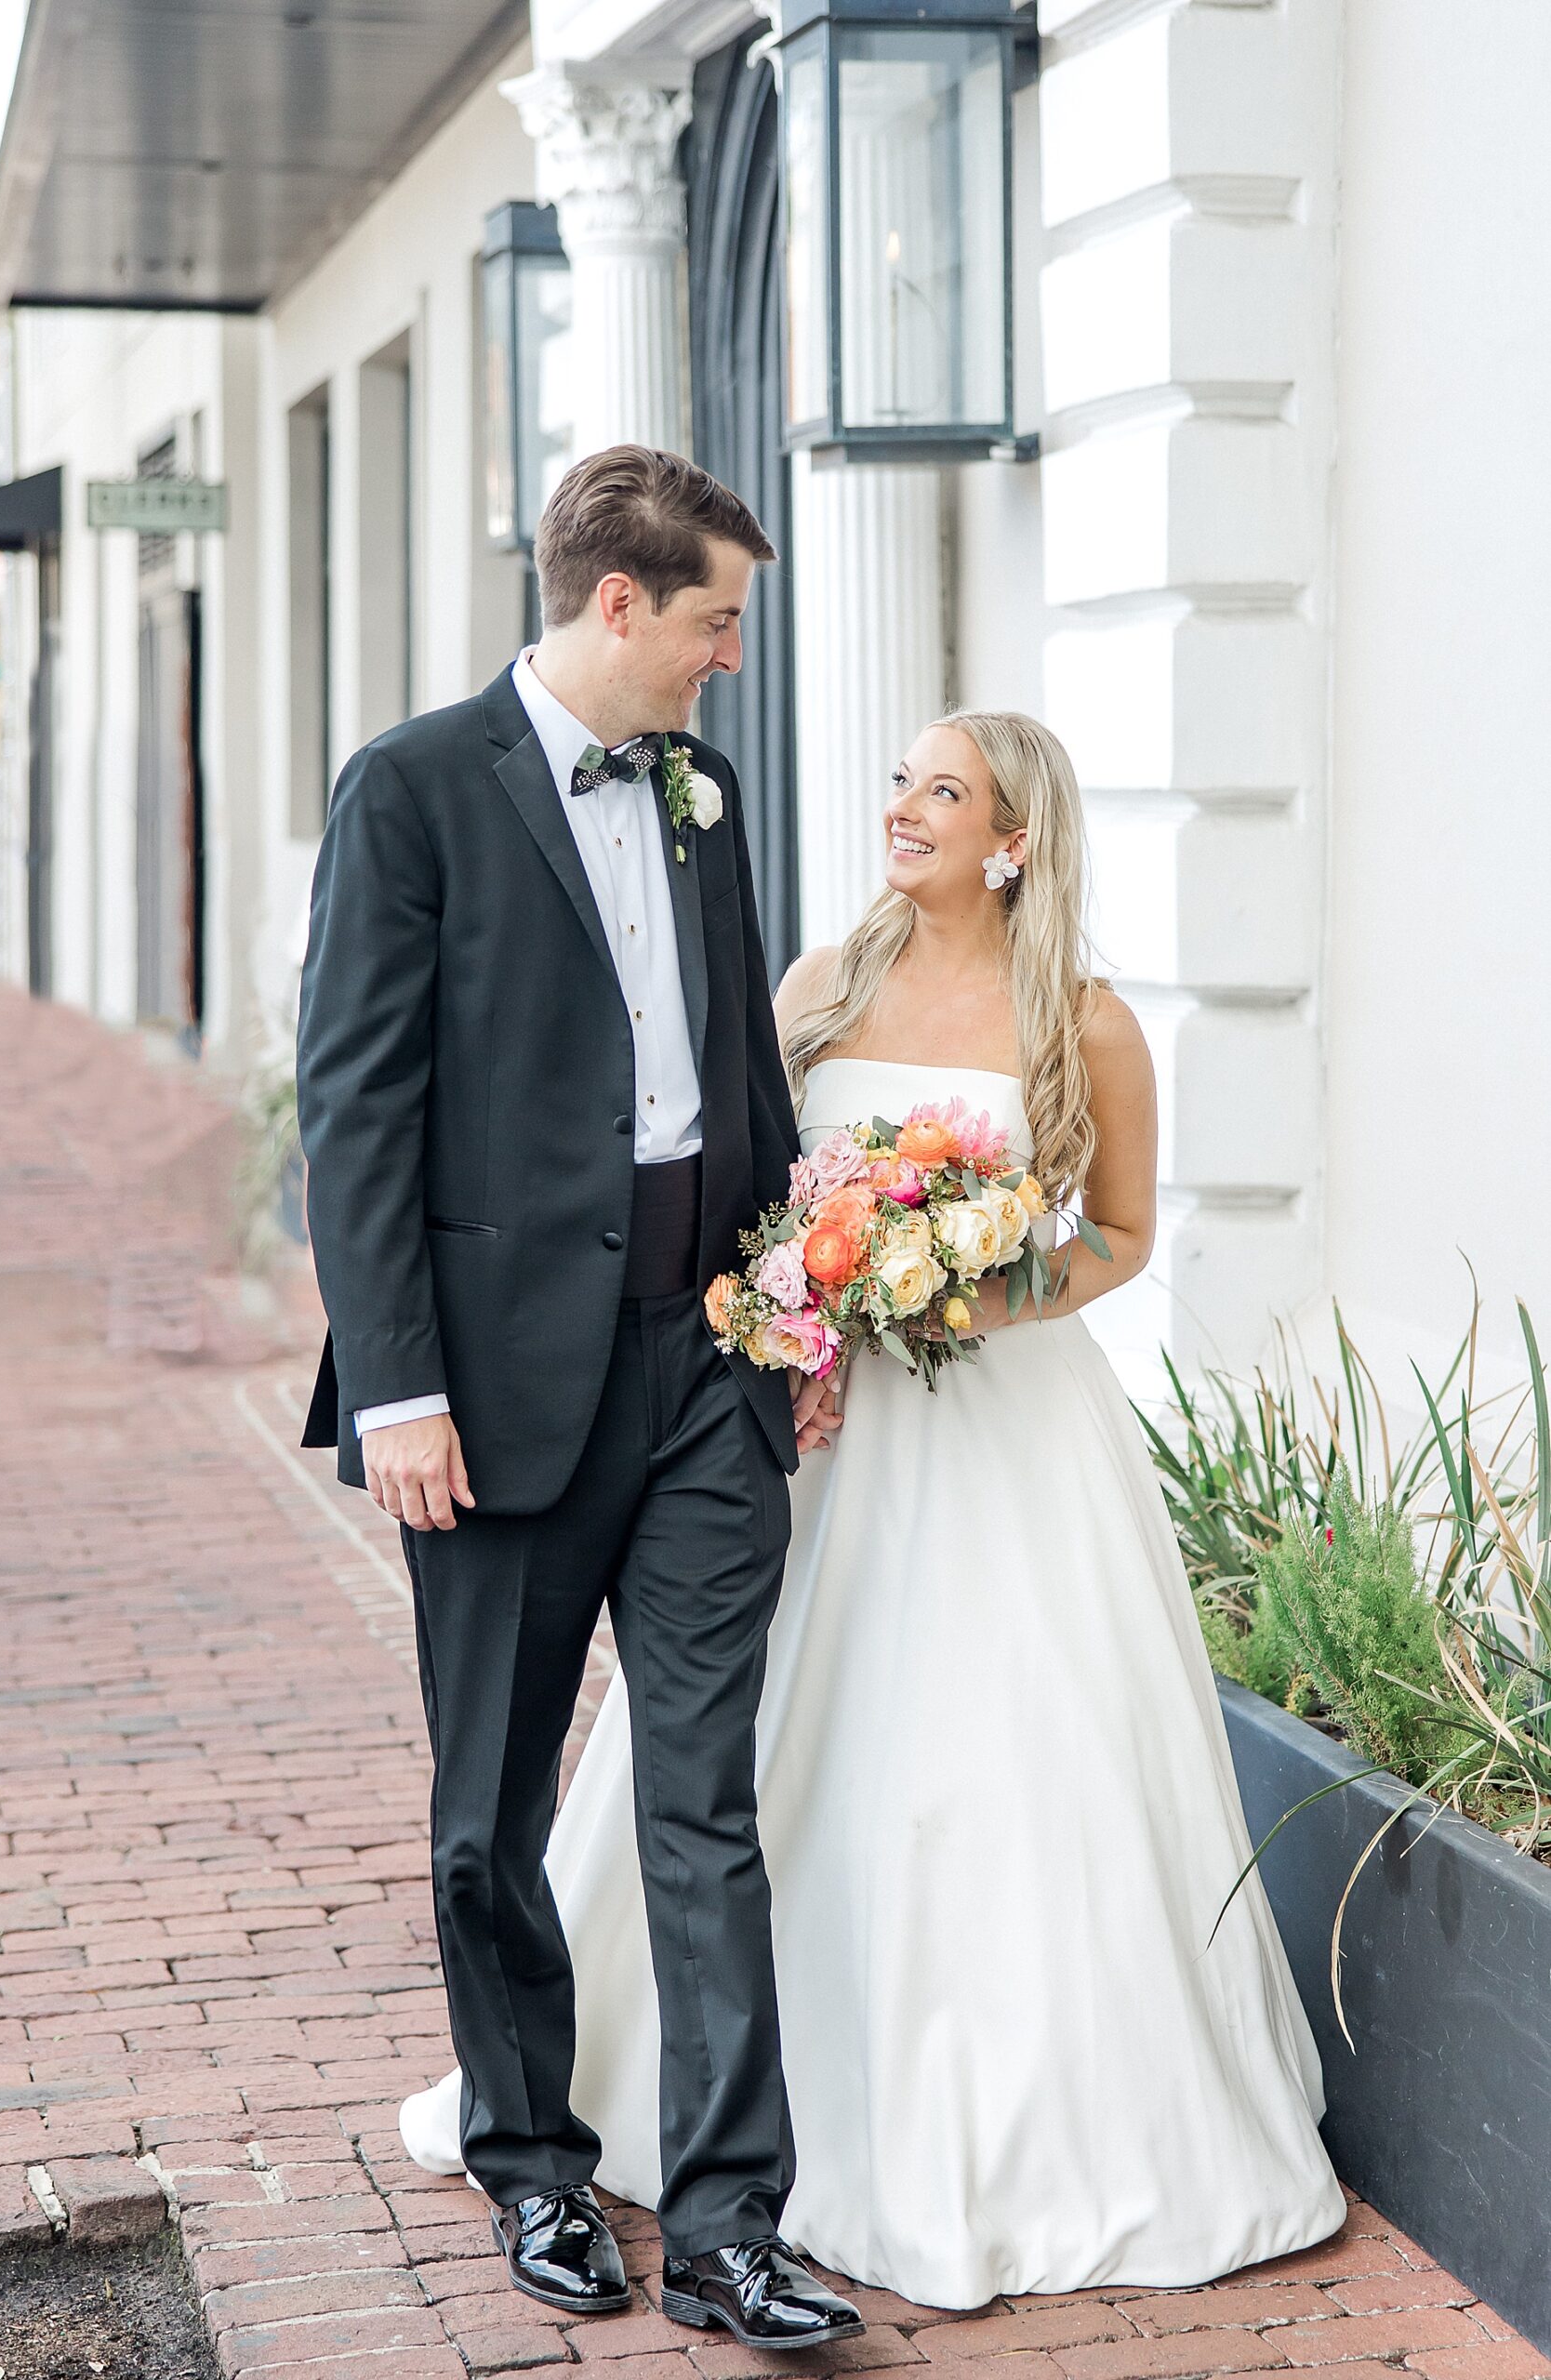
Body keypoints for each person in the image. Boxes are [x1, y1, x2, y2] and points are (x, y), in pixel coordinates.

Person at [400, 707, 1348, 2308]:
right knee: (742, 1758)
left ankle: (1002, 2126)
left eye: (942, 789)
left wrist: (979, 1295)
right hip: (811, 1426)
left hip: (1003, 1439)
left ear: (1013, 838)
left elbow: (1114, 1235)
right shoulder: (819, 986)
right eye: (900, 779)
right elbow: (745, 1188)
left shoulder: (1088, 1024)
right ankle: (685, 2122)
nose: (901, 806)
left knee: (994, 1763)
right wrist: (795, 1319)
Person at [296, 443, 862, 2349]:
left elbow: (745, 1080)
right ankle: (530, 2160)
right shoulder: (409, 789)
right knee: (493, 1807)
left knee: (703, 1799)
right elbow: (357, 1111)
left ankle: (725, 2221)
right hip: (495, 1388)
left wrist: (792, 1310)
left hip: (705, 1362)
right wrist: (397, 1387)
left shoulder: (699, 797)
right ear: (619, 603)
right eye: (711, 619)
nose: (725, 656)